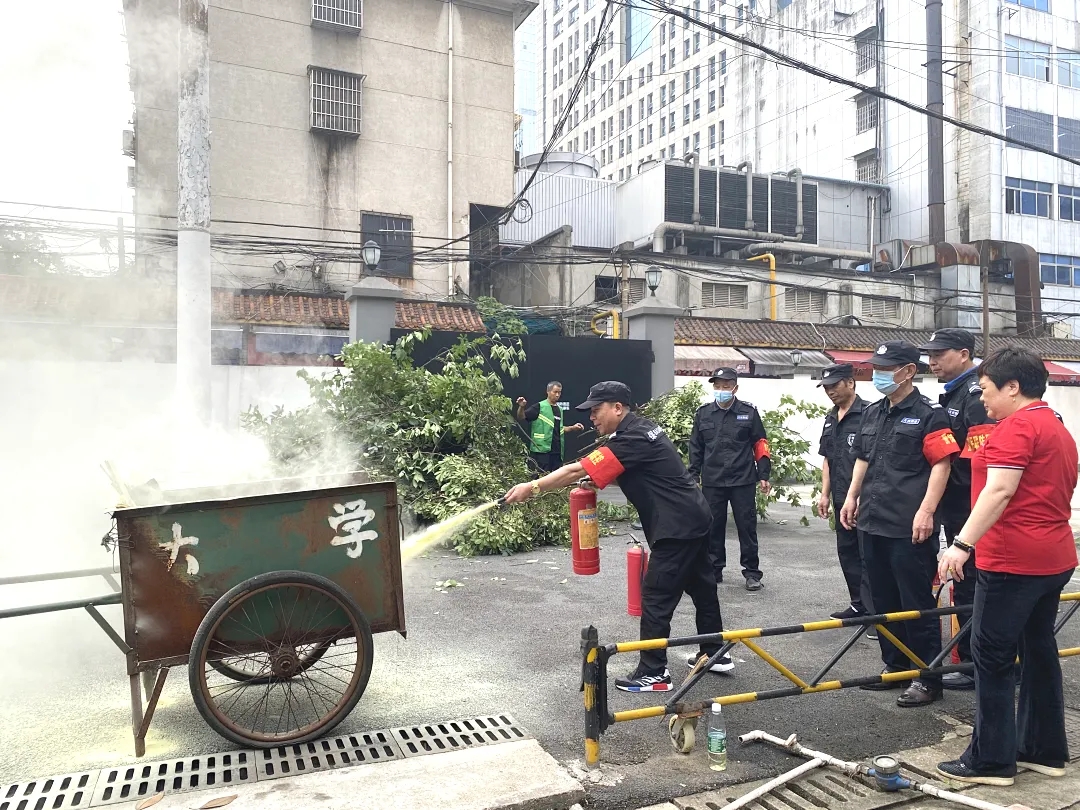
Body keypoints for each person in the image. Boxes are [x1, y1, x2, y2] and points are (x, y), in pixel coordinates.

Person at [503, 381, 733, 692]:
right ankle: (714, 652)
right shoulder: (643, 429)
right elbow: (627, 469)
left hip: (677, 527)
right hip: (694, 517)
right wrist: (593, 479)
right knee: (701, 586)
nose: (592, 417)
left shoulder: (631, 438)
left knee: (655, 597)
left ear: (617, 408)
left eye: (597, 410)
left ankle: (654, 672)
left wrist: (532, 487)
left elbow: (574, 470)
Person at [936, 347, 1077, 786]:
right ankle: (1044, 750)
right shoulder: (1055, 426)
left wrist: (960, 545)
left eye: (986, 390)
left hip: (1013, 559)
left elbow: (998, 492)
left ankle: (992, 761)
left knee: (992, 656)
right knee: (1038, 651)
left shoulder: (1015, 427)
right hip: (1053, 555)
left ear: (1013, 387)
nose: (982, 400)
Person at [840, 341, 959, 707]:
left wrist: (926, 511)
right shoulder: (874, 412)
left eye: (886, 368)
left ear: (908, 371)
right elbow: (862, 457)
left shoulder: (929, 414)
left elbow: (942, 464)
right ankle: (895, 668)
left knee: (916, 603)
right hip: (872, 521)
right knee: (881, 601)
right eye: (876, 367)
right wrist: (851, 496)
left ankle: (927, 677)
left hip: (908, 526)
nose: (877, 374)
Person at [919, 328, 996, 691]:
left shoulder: (976, 395)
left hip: (971, 508)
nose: (932, 361)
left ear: (963, 354)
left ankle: (972, 663)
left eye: (940, 354)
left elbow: (981, 463)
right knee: (964, 582)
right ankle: (968, 658)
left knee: (974, 583)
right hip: (958, 506)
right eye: (930, 355)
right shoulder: (955, 393)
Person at [688, 368, 771, 591]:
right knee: (712, 527)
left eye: (726, 386)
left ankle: (752, 573)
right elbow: (696, 447)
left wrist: (764, 474)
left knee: (747, 527)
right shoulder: (703, 414)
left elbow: (760, 443)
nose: (721, 390)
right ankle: (714, 570)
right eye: (717, 386)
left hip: (742, 480)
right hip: (713, 480)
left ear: (735, 388)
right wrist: (693, 475)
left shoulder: (749, 412)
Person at [815, 363, 873, 621]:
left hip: (863, 500)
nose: (830, 391)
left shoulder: (870, 414)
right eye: (826, 387)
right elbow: (827, 458)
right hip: (840, 498)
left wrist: (859, 495)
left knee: (867, 556)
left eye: (834, 385)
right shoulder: (831, 417)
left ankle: (875, 614)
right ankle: (857, 605)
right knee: (847, 552)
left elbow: (872, 459)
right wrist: (824, 494)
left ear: (850, 383)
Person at [515, 381, 583, 473]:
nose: (557, 395)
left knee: (555, 478)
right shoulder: (539, 406)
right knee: (540, 477)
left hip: (557, 451)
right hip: (541, 451)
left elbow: (559, 428)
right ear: (548, 391)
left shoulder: (559, 409)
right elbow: (521, 417)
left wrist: (573, 428)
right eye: (555, 392)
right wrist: (521, 407)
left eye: (559, 392)